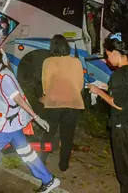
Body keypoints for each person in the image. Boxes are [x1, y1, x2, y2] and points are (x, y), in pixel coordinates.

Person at [0, 46, 60, 193]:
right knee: (27, 153)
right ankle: (48, 180)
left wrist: (36, 117)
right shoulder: (2, 72)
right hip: (12, 125)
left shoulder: (3, 77)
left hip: (5, 127)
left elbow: (18, 99)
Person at [89, 33, 128, 193]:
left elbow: (118, 104)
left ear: (115, 53)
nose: (107, 60)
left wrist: (98, 91)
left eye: (107, 55)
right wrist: (108, 88)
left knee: (124, 171)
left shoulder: (118, 74)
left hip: (123, 128)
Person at [39, 34, 84, 172]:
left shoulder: (47, 62)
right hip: (73, 103)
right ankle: (63, 165)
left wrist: (46, 95)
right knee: (67, 136)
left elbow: (45, 84)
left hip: (53, 102)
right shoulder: (76, 61)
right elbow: (80, 84)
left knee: (48, 133)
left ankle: (41, 161)